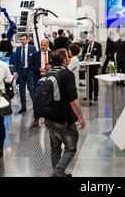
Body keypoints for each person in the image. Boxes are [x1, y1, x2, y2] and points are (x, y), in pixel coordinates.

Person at [45, 49, 85, 177]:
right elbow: (73, 100)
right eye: (67, 56)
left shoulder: (48, 73)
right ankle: (57, 173)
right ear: (64, 60)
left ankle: (59, 174)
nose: (68, 58)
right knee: (71, 147)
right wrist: (80, 117)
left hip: (49, 117)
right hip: (63, 118)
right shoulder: (68, 75)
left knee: (55, 147)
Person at [29, 38, 52, 127]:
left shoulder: (52, 54)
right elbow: (30, 65)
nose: (42, 47)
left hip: (49, 78)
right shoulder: (35, 54)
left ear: (48, 45)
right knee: (37, 99)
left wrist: (51, 66)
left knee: (49, 98)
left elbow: (56, 64)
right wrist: (38, 69)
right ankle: (36, 118)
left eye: (44, 45)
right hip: (38, 79)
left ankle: (49, 118)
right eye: (41, 45)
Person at [12, 33, 37, 114]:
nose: (22, 41)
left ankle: (35, 107)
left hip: (29, 72)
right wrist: (15, 71)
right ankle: (23, 107)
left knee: (31, 89)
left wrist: (34, 70)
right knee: (21, 90)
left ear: (27, 40)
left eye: (24, 39)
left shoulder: (32, 48)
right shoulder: (18, 49)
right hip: (21, 72)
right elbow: (16, 61)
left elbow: (35, 60)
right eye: (21, 39)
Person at [82, 33, 102, 101]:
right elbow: (83, 53)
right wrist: (84, 58)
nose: (89, 38)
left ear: (94, 38)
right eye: (88, 37)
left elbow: (100, 55)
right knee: (88, 80)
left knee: (95, 80)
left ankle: (95, 95)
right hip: (87, 65)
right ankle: (89, 95)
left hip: (94, 65)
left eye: (90, 37)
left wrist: (93, 58)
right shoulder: (86, 45)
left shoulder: (98, 45)